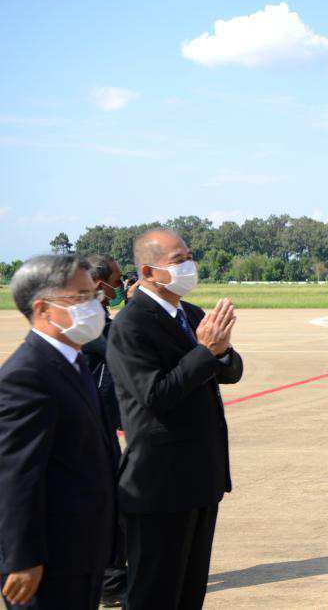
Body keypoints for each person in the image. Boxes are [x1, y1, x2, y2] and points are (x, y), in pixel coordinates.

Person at [106, 228, 243, 610]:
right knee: (155, 595)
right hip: (159, 486)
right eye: (178, 260)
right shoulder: (131, 325)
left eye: (188, 255)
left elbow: (229, 372)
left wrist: (222, 351)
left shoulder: (191, 314)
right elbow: (155, 396)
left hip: (200, 479)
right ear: (149, 272)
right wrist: (204, 351)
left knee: (189, 593)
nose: (189, 265)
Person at [0, 255, 118, 609]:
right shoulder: (27, 376)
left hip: (82, 547)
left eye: (93, 296)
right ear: (43, 309)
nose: (93, 306)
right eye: (79, 298)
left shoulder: (74, 361)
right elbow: (16, 477)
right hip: (49, 558)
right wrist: (21, 559)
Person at [82, 254, 128, 607]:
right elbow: (120, 346)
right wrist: (137, 310)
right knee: (111, 504)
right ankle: (111, 582)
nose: (119, 286)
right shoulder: (85, 319)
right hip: (90, 430)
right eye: (116, 280)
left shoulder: (95, 315)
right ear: (100, 286)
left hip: (100, 425)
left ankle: (110, 577)